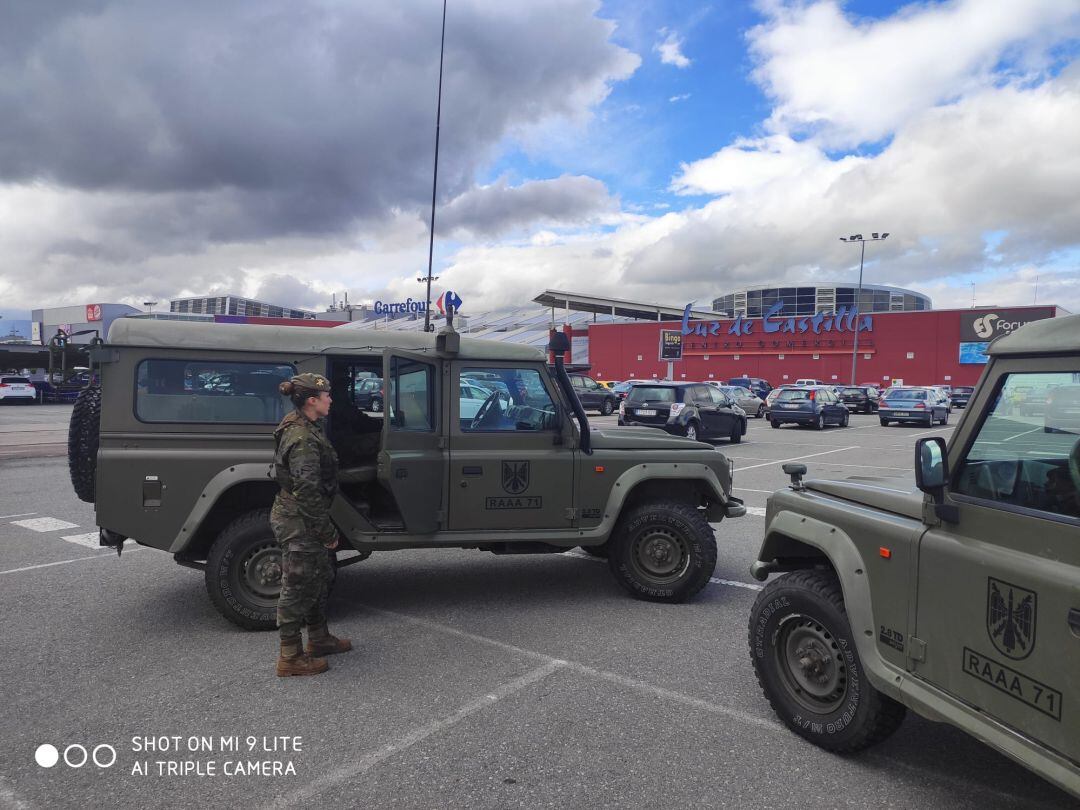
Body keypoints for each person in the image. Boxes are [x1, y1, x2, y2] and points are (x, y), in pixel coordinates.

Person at [271, 373, 353, 677]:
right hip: (300, 521)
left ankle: (318, 639)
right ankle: (290, 658)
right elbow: (307, 491)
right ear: (311, 401)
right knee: (297, 584)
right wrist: (326, 532)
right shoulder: (302, 438)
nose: (330, 400)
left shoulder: (303, 425)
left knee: (317, 577)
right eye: (326, 396)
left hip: (303, 517)